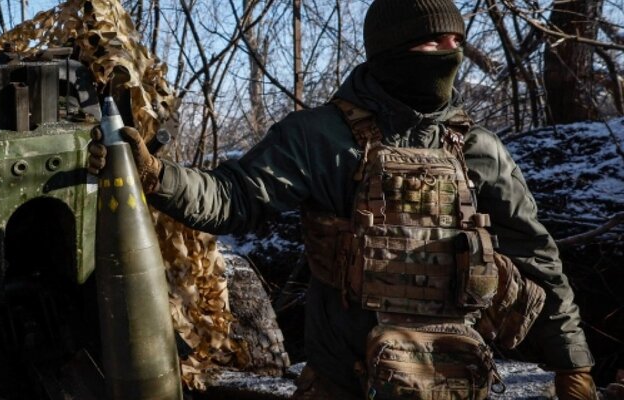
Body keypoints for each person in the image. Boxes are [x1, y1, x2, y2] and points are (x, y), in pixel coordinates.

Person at [88, 0, 597, 398]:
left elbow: (537, 257)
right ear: (391, 50)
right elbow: (233, 197)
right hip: (343, 380)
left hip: (455, 380)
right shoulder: (321, 137)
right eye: (431, 41)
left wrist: (573, 364)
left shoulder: (480, 148)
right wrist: (157, 175)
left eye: (456, 40)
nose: (450, 51)